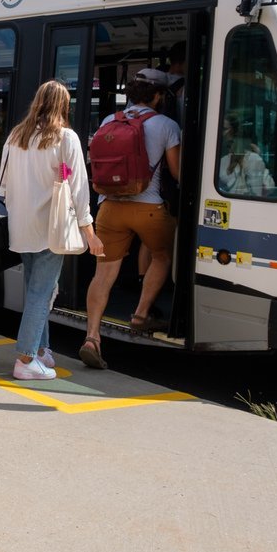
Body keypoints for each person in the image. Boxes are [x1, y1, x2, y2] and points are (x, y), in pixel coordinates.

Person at [1, 80, 104, 381]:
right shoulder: (65, 138)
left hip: (20, 226)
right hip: (51, 227)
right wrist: (89, 231)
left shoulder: (16, 136)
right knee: (42, 293)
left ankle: (42, 350)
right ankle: (25, 359)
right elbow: (78, 188)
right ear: (64, 105)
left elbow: (3, 180)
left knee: (35, 288)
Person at [80, 72, 182, 369]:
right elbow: (176, 172)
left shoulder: (108, 121)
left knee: (103, 272)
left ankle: (92, 337)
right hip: (149, 207)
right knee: (162, 257)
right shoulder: (166, 125)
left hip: (110, 207)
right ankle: (140, 314)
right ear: (158, 96)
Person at [219, 113, 273, 197]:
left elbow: (256, 195)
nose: (222, 134)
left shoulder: (253, 159)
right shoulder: (222, 160)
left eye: (224, 129)